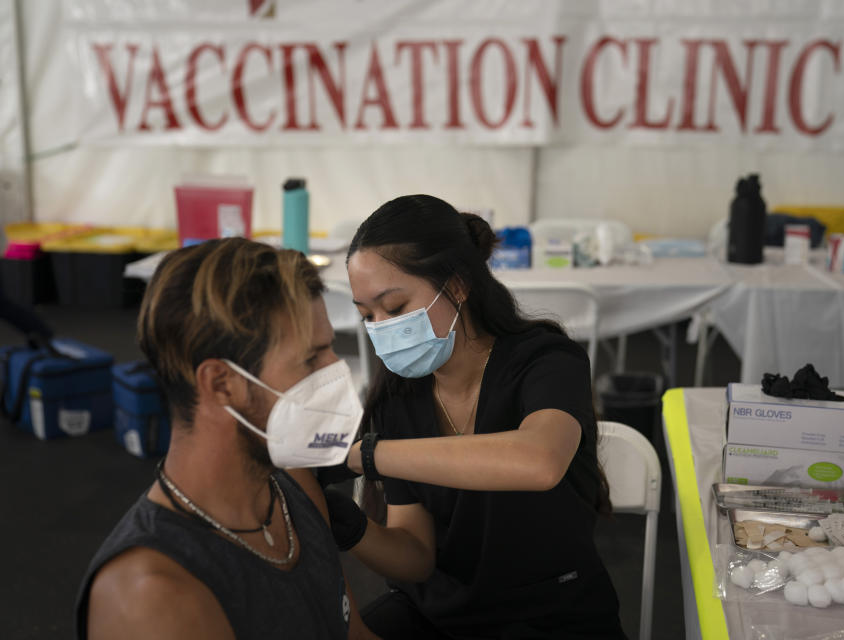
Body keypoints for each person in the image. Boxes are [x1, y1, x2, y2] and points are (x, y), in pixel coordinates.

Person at [325, 194, 627, 639]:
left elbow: (539, 461)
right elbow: (417, 556)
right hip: (442, 615)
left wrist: (366, 457)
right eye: (366, 315)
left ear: (459, 285)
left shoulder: (546, 362)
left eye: (395, 308)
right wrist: (351, 526)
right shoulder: (399, 395)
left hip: (550, 614)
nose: (381, 329)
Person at [75, 238, 376, 640]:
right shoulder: (151, 597)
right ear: (221, 384)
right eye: (311, 358)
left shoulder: (294, 486)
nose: (336, 372)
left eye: (330, 351)